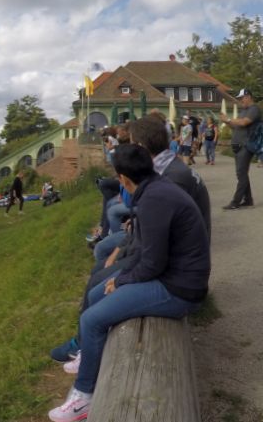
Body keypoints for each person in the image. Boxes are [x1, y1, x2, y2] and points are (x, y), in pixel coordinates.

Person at [48, 144, 210, 421]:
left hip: (180, 288)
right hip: (171, 273)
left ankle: (83, 397)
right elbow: (145, 250)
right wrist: (118, 280)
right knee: (99, 292)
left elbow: (153, 262)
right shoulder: (155, 189)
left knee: (91, 319)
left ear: (122, 178)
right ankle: (89, 354)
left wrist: (123, 280)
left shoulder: (154, 201)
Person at [219, 88, 261, 209]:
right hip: (238, 146)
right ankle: (248, 200)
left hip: (246, 145)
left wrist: (228, 119)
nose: (240, 101)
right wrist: (227, 122)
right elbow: (236, 127)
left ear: (248, 97)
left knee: (241, 174)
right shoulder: (244, 111)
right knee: (242, 174)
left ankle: (235, 202)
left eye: (241, 98)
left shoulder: (254, 109)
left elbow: (243, 123)